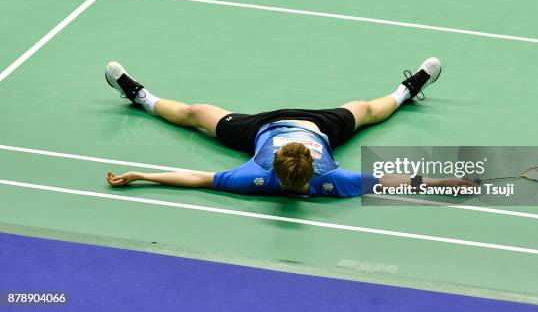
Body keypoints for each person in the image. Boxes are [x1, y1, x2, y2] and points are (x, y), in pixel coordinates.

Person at [104, 58, 474, 197]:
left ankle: (406, 90)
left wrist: (143, 175)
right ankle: (141, 97)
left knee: (198, 111)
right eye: (291, 186)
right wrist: (447, 182)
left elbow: (200, 178)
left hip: (283, 128)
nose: (293, 192)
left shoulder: (255, 177)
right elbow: (390, 181)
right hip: (302, 128)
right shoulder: (332, 181)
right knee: (196, 111)